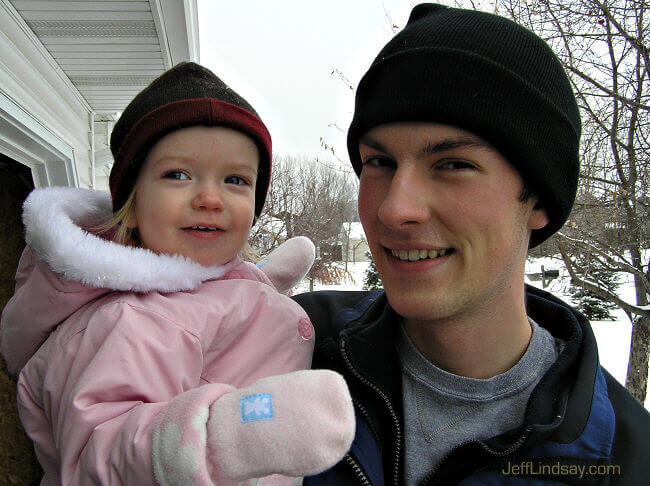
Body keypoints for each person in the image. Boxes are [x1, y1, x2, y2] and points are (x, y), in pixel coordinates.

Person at [294, 4, 650, 485]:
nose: (395, 209)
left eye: (453, 164)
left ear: (539, 199)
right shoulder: (287, 348)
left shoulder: (627, 459)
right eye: (379, 162)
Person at [0, 62, 355, 485]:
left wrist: (263, 283)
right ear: (132, 200)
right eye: (178, 174)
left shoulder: (196, 283)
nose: (209, 197)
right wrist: (227, 437)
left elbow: (210, 312)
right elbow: (99, 455)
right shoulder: (133, 322)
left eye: (236, 179)